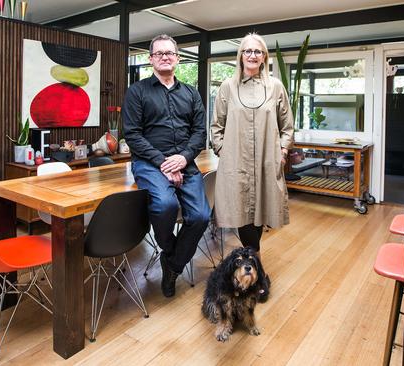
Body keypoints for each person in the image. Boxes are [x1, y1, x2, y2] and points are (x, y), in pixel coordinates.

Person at [123, 34, 210, 298]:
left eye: (169, 53)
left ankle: (171, 264)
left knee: (201, 217)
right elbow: (132, 134)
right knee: (165, 205)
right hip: (150, 163)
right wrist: (164, 162)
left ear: (177, 58)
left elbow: (199, 132)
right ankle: (173, 253)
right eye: (158, 53)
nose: (164, 57)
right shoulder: (137, 92)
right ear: (150, 60)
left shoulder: (191, 94)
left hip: (186, 162)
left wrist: (183, 158)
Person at [211, 32, 294, 258]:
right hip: (236, 162)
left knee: (260, 209)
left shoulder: (276, 87)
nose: (252, 55)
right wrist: (223, 151)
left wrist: (283, 152)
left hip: (267, 161)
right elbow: (216, 125)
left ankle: (251, 259)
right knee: (240, 210)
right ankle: (253, 259)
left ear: (264, 57)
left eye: (257, 51)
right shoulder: (227, 87)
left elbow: (287, 126)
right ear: (240, 56)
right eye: (247, 50)